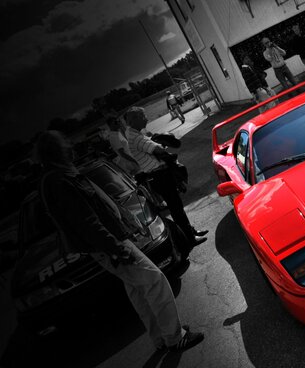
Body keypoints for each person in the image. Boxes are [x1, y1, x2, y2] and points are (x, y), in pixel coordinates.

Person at [36, 130, 204, 352]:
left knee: (137, 289)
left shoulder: (60, 176)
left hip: (110, 244)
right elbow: (87, 223)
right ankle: (175, 337)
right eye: (64, 143)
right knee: (155, 280)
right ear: (56, 151)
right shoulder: (60, 181)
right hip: (110, 245)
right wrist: (116, 248)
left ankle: (161, 338)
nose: (69, 145)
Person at [124, 107, 208, 247]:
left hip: (159, 175)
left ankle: (190, 231)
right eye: (143, 116)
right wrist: (162, 144)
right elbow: (158, 150)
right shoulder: (135, 137)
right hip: (159, 175)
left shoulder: (135, 133)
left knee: (177, 207)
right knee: (176, 208)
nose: (146, 118)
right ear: (135, 120)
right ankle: (189, 238)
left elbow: (153, 147)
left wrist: (156, 140)